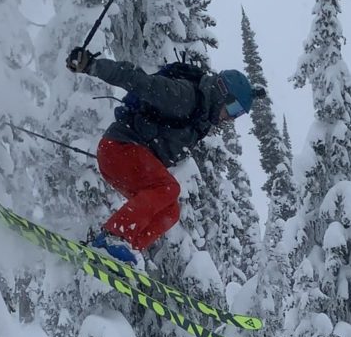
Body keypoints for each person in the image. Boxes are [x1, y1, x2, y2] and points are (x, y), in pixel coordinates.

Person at [65, 46, 255, 266]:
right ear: (223, 93)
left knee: (171, 210)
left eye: (238, 114)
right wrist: (93, 66)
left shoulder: (201, 116)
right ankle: (113, 237)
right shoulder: (184, 96)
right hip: (118, 148)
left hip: (128, 158)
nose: (231, 118)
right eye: (233, 109)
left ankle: (123, 250)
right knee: (169, 188)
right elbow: (139, 81)